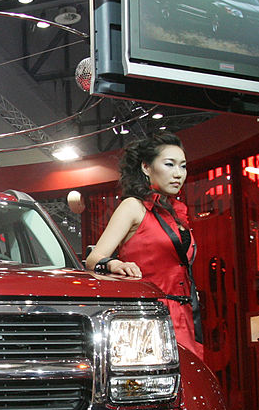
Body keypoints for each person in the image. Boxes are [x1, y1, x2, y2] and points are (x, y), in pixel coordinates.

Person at [84, 131, 203, 359]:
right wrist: (115, 264)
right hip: (148, 317)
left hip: (185, 316)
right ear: (146, 168)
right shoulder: (133, 206)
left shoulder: (178, 215)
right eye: (169, 164)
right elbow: (93, 259)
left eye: (183, 166)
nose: (178, 174)